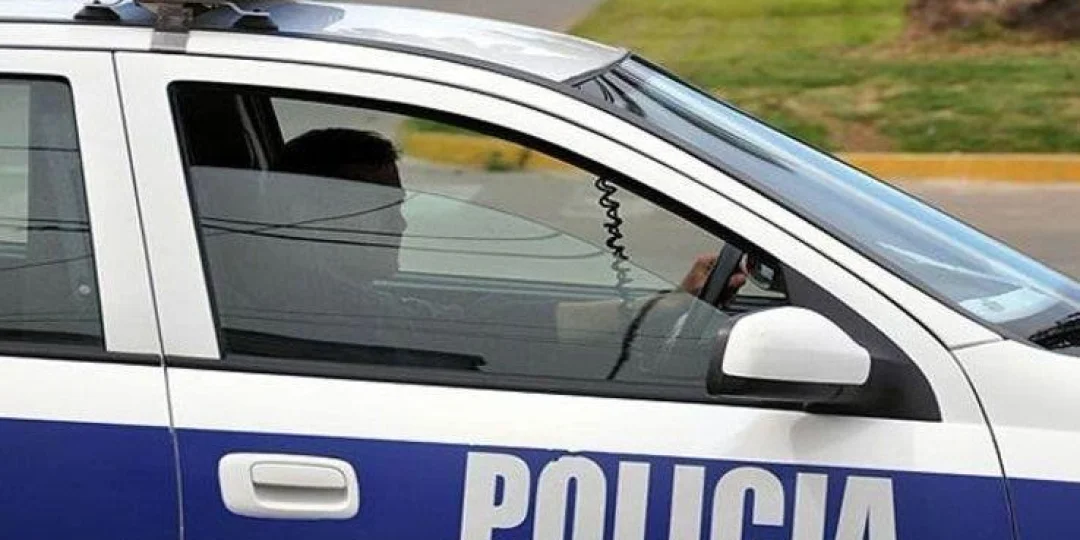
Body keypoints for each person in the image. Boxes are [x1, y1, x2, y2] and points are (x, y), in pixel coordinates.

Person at [272, 128, 740, 369]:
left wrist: (671, 304)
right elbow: (482, 328)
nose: (400, 223)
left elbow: (486, 321)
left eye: (398, 206)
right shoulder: (312, 315)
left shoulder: (351, 303)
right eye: (380, 208)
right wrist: (667, 306)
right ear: (308, 212)